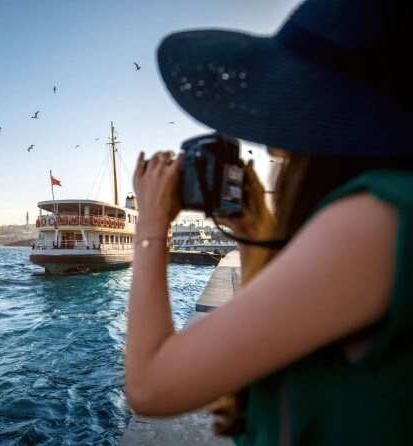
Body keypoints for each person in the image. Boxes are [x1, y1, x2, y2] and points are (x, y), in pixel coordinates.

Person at [125, 0, 413, 444]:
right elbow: (280, 322)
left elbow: (150, 387)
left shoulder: (376, 216)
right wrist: (252, 233)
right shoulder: (385, 207)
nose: (275, 150)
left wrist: (150, 226)